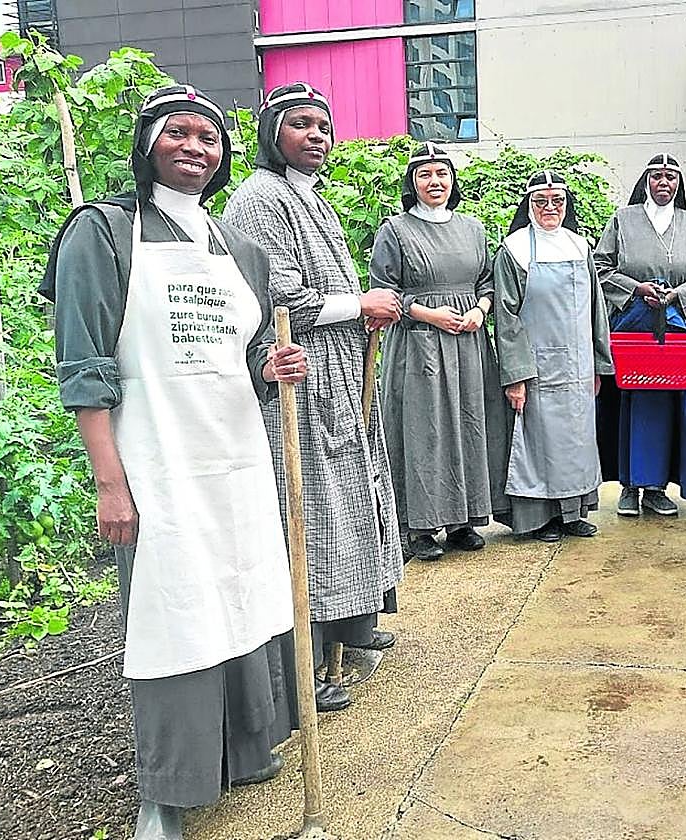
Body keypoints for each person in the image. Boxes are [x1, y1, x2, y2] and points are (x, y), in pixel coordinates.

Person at [42, 85, 307, 840]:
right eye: (179, 133)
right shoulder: (104, 231)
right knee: (174, 612)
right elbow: (85, 365)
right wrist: (110, 482)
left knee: (245, 591)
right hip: (156, 459)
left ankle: (247, 747)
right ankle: (167, 786)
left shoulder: (238, 247)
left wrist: (273, 366)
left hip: (235, 457)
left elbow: (242, 357)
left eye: (209, 137)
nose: (196, 147)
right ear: (147, 143)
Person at [223, 82, 405, 708]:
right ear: (272, 135)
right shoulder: (259, 198)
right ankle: (307, 655)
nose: (317, 136)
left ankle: (347, 627)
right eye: (301, 124)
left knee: (348, 499)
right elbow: (278, 297)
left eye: (323, 125)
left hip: (340, 365)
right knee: (311, 508)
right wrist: (359, 303)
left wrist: (362, 312)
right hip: (299, 372)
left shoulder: (310, 196)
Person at [370, 142, 509, 561]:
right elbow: (384, 289)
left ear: (453, 180)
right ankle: (421, 527)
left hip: (468, 345)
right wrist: (429, 315)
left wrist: (481, 311)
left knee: (469, 426)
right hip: (420, 346)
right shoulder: (395, 230)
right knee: (425, 431)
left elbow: (487, 281)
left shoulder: (473, 228)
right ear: (412, 183)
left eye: (442, 174)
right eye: (426, 175)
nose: (436, 182)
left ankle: (464, 519)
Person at [594, 153, 686, 516]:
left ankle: (657, 487)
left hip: (675, 327)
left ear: (679, 184)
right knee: (626, 403)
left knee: (672, 405)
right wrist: (636, 289)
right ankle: (629, 485)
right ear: (645, 181)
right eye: (657, 177)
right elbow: (600, 267)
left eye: (671, 178)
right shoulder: (623, 219)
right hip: (632, 323)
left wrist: (678, 295)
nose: (664, 184)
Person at [493, 170, 615, 542]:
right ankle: (539, 519)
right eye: (541, 201)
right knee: (538, 444)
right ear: (528, 206)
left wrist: (598, 363)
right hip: (538, 367)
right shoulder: (513, 250)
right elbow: (506, 317)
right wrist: (515, 375)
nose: (550, 208)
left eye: (557, 201)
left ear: (567, 205)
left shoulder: (581, 246)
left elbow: (597, 312)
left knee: (576, 443)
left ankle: (573, 513)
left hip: (578, 368)